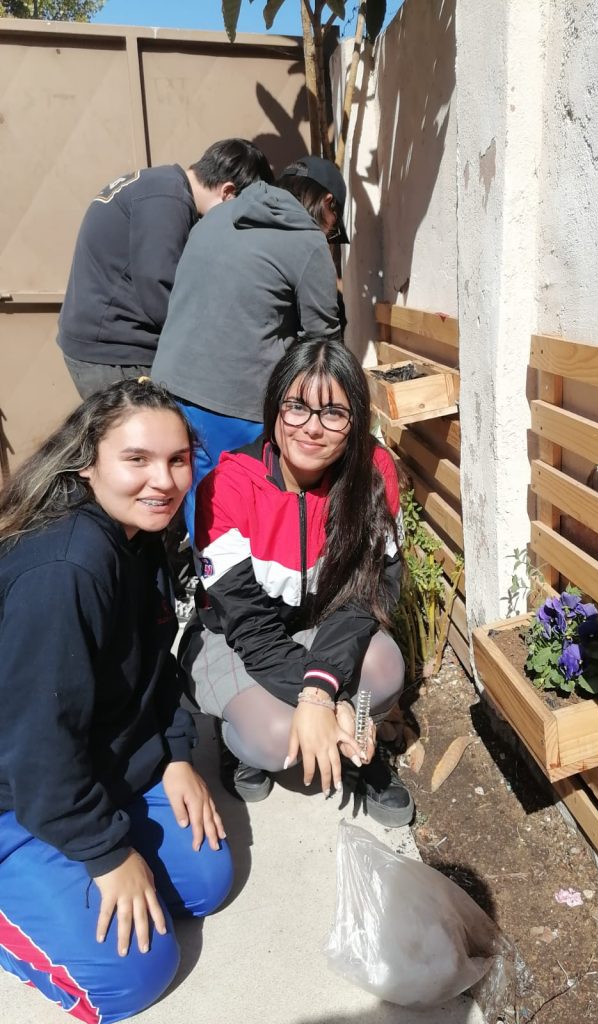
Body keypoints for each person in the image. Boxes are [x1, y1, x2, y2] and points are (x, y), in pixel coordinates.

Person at [0, 379, 232, 1023]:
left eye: (178, 459)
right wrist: (107, 853)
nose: (163, 480)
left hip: (92, 763)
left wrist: (174, 753)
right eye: (137, 459)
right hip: (17, 793)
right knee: (134, 974)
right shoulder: (65, 570)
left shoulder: (140, 536)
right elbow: (38, 746)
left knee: (206, 882)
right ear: (87, 460)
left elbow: (156, 667)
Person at [179, 341, 414, 828]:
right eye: (297, 406)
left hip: (321, 625)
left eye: (334, 412)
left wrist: (323, 690)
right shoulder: (227, 486)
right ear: (274, 408)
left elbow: (366, 595)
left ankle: (358, 751)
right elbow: (248, 624)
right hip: (237, 637)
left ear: (356, 421)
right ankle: (237, 742)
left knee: (386, 668)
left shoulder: (373, 474)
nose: (311, 426)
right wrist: (316, 698)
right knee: (272, 738)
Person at [151, 155, 348, 538]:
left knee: (195, 501)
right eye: (333, 232)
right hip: (236, 406)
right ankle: (239, 592)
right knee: (241, 510)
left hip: (170, 390)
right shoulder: (307, 242)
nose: (328, 239)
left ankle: (203, 586)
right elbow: (323, 347)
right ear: (328, 206)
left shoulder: (217, 218)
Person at [57, 138, 273, 399]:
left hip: (101, 345)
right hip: (115, 354)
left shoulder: (160, 185)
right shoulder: (168, 199)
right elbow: (160, 290)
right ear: (228, 192)